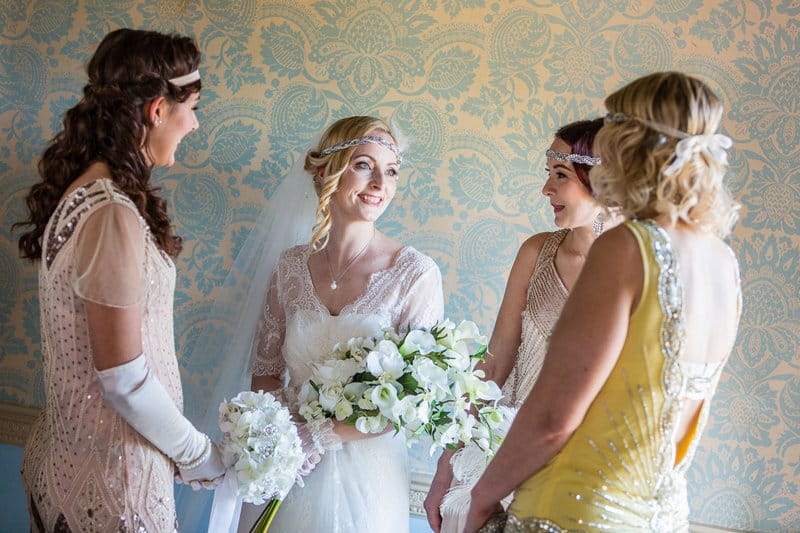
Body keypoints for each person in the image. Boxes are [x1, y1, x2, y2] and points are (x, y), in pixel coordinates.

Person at [464, 71, 741, 532]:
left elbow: (553, 417)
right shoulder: (722, 263)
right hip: (660, 519)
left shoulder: (628, 246)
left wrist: (481, 497)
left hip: (573, 510)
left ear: (628, 147)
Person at [14, 28, 225, 532]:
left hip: (74, 461)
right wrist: (197, 453)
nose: (193, 124)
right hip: (112, 486)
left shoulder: (88, 191)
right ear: (157, 110)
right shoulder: (110, 212)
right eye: (192, 107)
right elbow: (123, 378)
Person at [236, 115, 444, 533]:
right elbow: (265, 373)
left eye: (391, 172)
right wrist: (283, 441)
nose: (380, 184)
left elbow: (414, 399)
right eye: (364, 165)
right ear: (326, 171)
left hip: (368, 480)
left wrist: (323, 436)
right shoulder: (290, 267)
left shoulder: (415, 275)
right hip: (289, 468)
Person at [423, 118, 610, 533]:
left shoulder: (630, 271)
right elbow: (493, 366)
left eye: (560, 175)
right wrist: (445, 465)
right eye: (548, 174)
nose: (546, 189)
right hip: (496, 453)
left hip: (579, 474)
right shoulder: (536, 252)